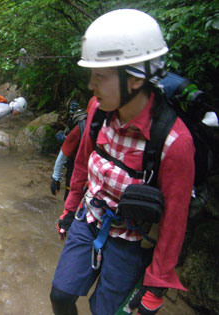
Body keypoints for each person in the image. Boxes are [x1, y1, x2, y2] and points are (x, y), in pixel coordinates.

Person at [50, 9, 195, 315]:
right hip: (89, 218)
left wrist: (155, 286)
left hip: (132, 240)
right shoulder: (97, 111)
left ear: (133, 80)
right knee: (61, 296)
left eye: (100, 76)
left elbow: (173, 224)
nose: (91, 84)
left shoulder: (174, 143)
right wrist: (69, 207)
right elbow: (82, 162)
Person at [51, 102, 88, 200]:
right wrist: (56, 179)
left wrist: (56, 179)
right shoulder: (80, 129)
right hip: (80, 168)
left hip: (79, 169)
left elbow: (62, 154)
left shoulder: (81, 128)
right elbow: (64, 152)